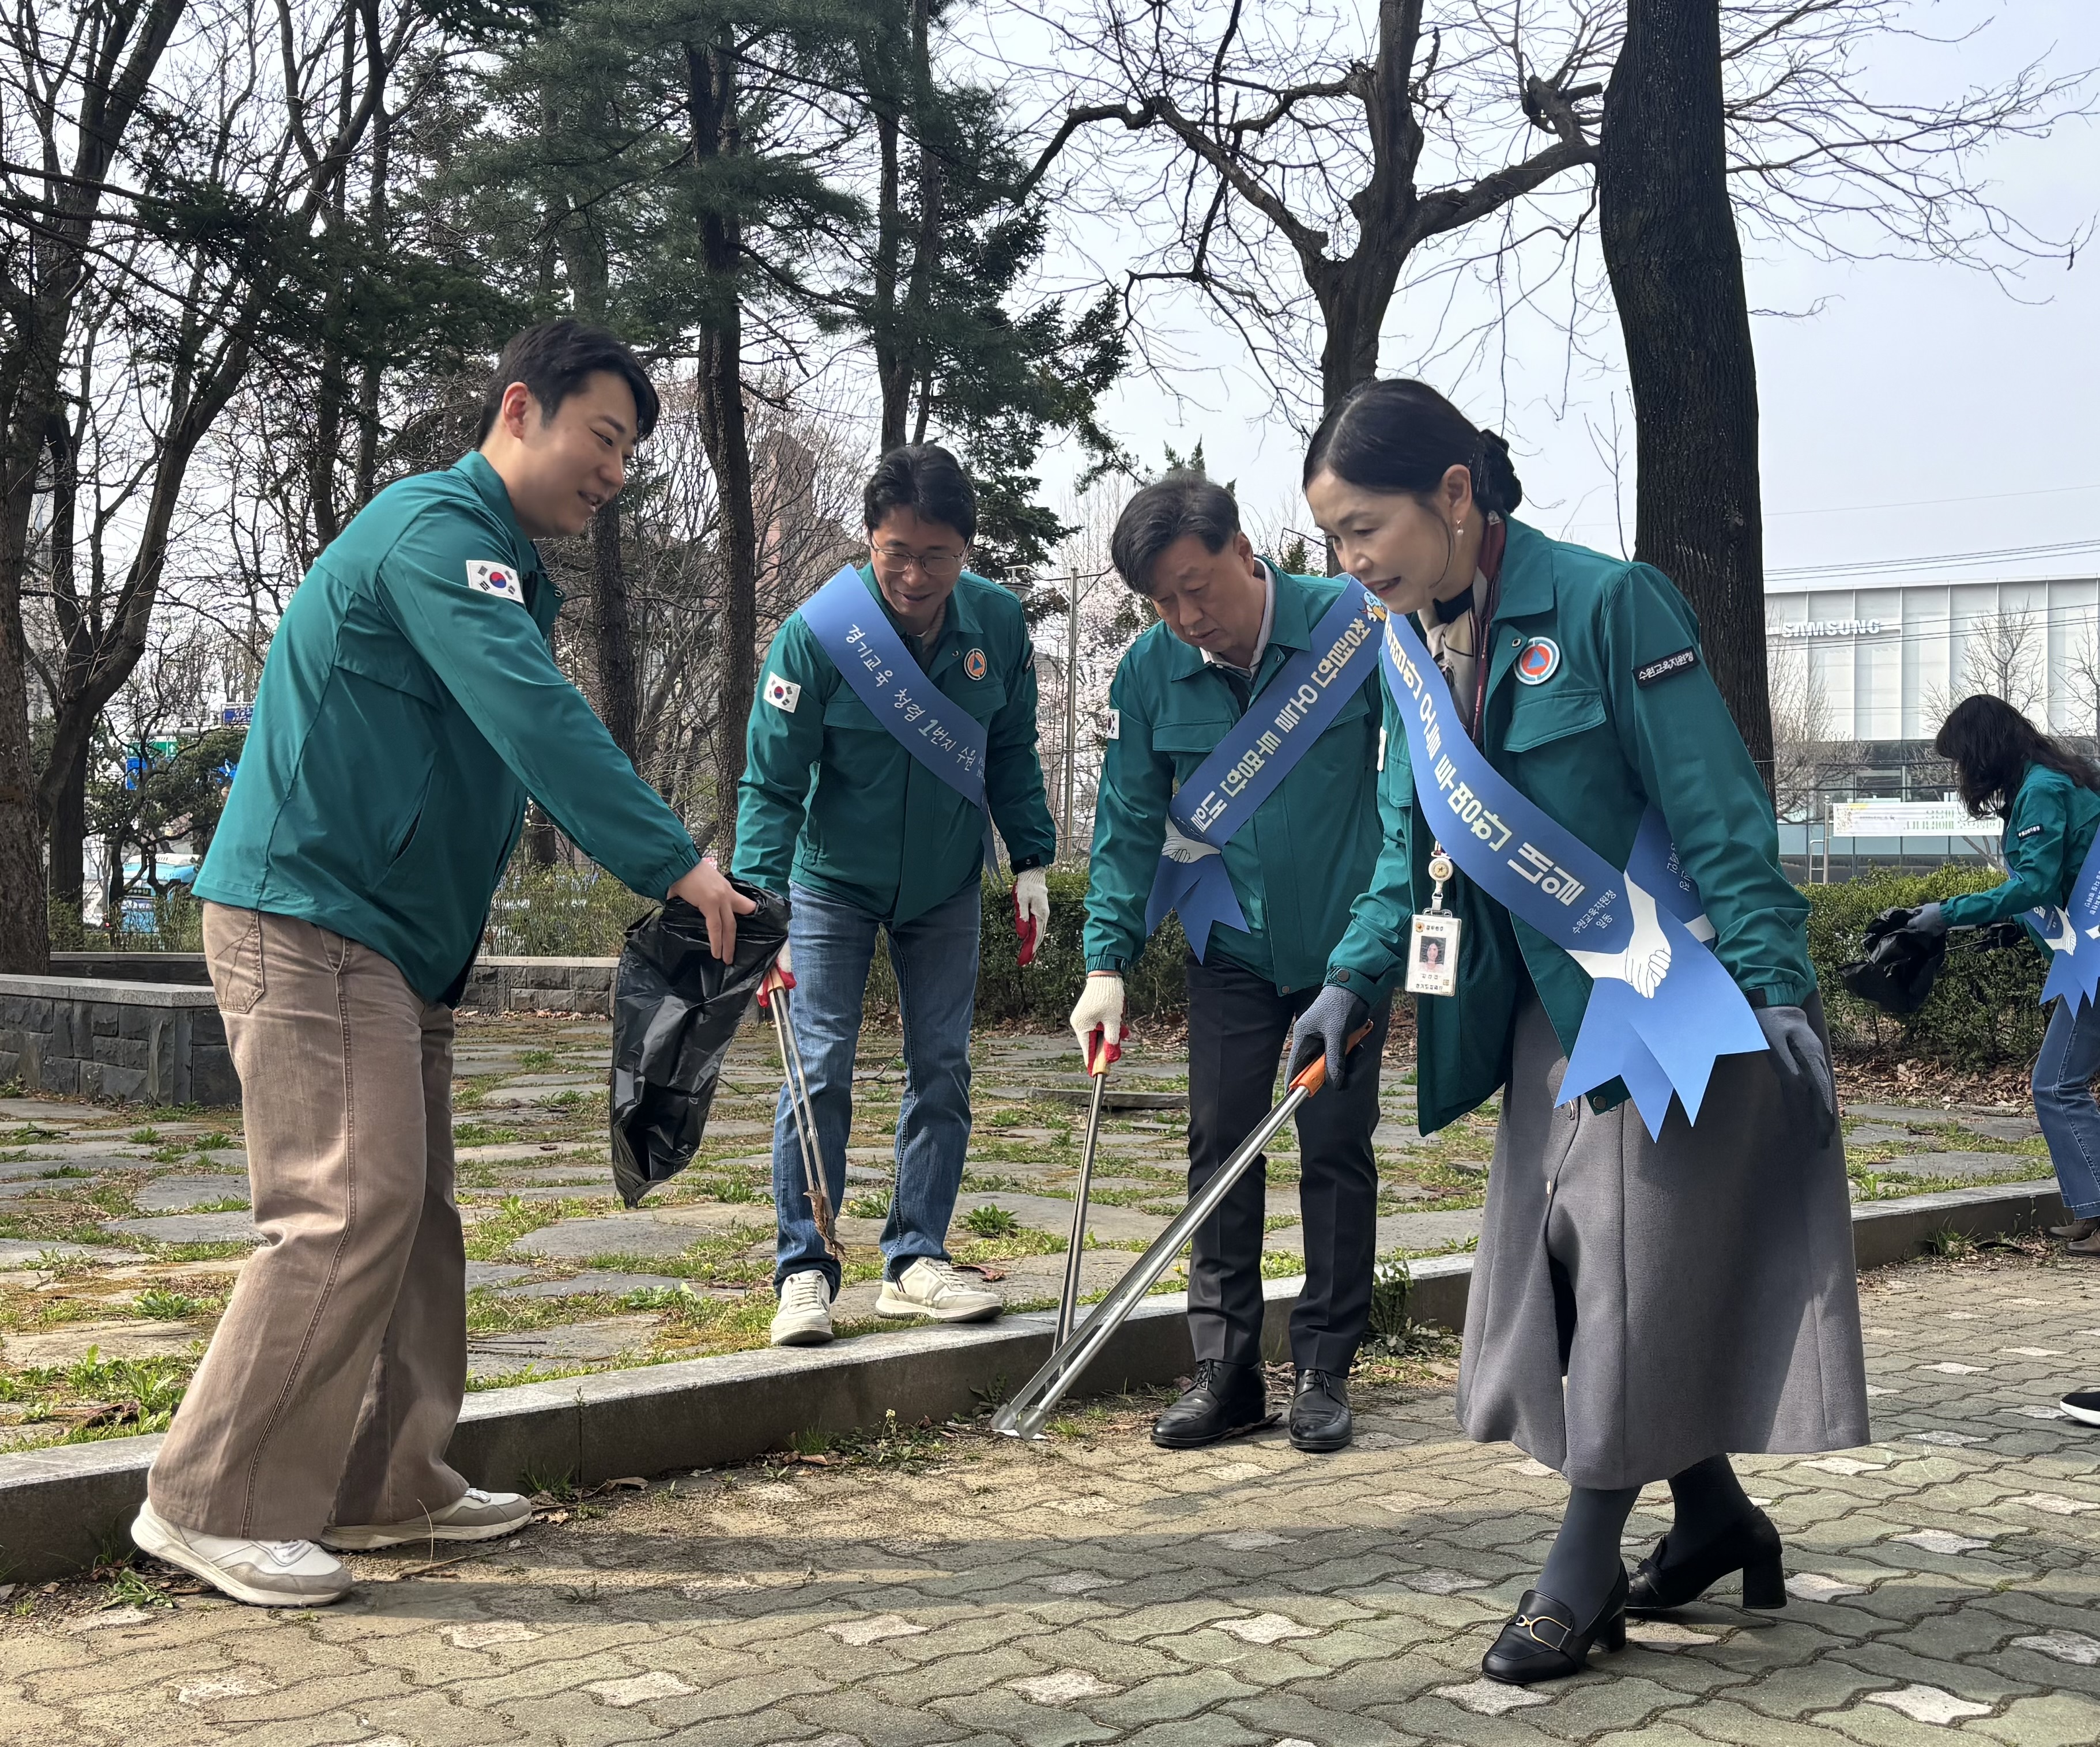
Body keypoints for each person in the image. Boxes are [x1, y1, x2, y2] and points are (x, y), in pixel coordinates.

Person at [135, 319, 753, 1608]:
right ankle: (210, 1501)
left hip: (390, 946)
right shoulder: (436, 534)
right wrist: (675, 864)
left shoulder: (502, 570)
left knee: (412, 1218)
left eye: (631, 453)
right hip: (310, 918)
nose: (617, 473)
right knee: (343, 1207)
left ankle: (385, 1478)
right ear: (520, 409)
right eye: (604, 438)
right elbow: (539, 719)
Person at [1290, 379, 1868, 1685]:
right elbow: (1409, 848)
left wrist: (1778, 986)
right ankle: (1713, 1518)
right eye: (1333, 539)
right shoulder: (1401, 648)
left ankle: (1583, 1567)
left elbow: (1717, 811)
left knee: (1612, 1270)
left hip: (1661, 996)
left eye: (1364, 528)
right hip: (1537, 1016)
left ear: (1454, 497)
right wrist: (1352, 975)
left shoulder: (1613, 605)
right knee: (1578, 1269)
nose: (1350, 561)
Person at [1070, 472, 1390, 1453]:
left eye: (1197, 587)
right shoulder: (1148, 672)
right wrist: (1106, 961)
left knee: (1333, 1151)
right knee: (1218, 1145)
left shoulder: (1355, 629)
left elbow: (1412, 794)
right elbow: (1127, 821)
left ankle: (1326, 1369)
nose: (1185, 617)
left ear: (1245, 551)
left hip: (1344, 954)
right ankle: (1226, 1371)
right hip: (1231, 950)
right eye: (1161, 602)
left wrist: (1374, 946)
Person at [737, 444, 1055, 1346]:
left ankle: (916, 1257)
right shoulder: (817, 632)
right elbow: (769, 781)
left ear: (966, 550)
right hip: (829, 882)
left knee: (942, 1067)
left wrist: (1028, 858)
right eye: (895, 552)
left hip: (945, 883)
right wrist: (765, 908)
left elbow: (1011, 751)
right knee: (820, 1066)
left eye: (936, 556)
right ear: (868, 540)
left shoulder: (995, 623)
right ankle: (803, 1268)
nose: (914, 575)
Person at [1894, 700, 2100, 1267]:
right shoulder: (2052, 781)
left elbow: (2034, 881)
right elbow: (2062, 877)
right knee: (2059, 1082)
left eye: (1961, 759)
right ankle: (2090, 1209)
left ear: (1983, 751)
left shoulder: (2041, 790)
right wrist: (2013, 927)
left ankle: (2096, 1209)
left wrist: (1949, 912)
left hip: (2096, 963)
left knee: (2056, 1084)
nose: (1960, 773)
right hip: (2091, 958)